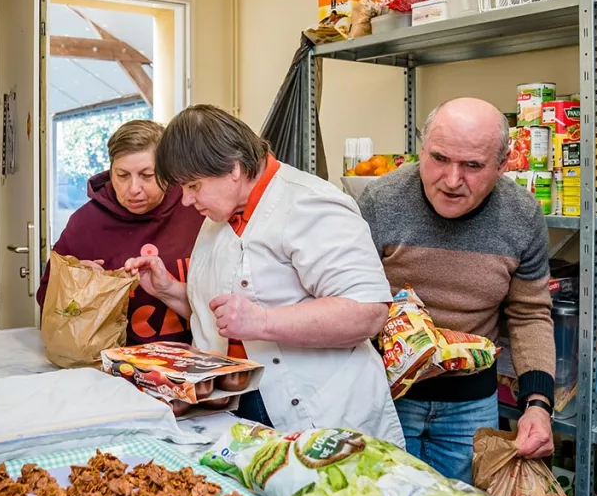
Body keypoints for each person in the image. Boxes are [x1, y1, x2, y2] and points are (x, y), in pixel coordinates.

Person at [125, 105, 403, 446]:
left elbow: (367, 312)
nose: (185, 200)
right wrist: (168, 290)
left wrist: (262, 322)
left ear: (234, 169)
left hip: (321, 414)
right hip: (239, 405)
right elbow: (222, 315)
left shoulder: (310, 203)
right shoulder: (218, 216)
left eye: (193, 185)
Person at [358, 97, 556, 484]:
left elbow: (530, 313)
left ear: (503, 165)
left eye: (472, 166)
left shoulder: (522, 215)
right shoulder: (380, 202)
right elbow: (348, 298)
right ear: (422, 149)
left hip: (472, 406)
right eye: (439, 159)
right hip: (385, 398)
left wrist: (537, 404)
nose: (451, 180)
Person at [36, 119, 205, 346]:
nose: (134, 189)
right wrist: (77, 284)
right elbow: (46, 296)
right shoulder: (85, 223)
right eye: (122, 175)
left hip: (193, 359)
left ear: (168, 171)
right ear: (110, 171)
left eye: (147, 175)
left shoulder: (197, 210)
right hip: (109, 363)